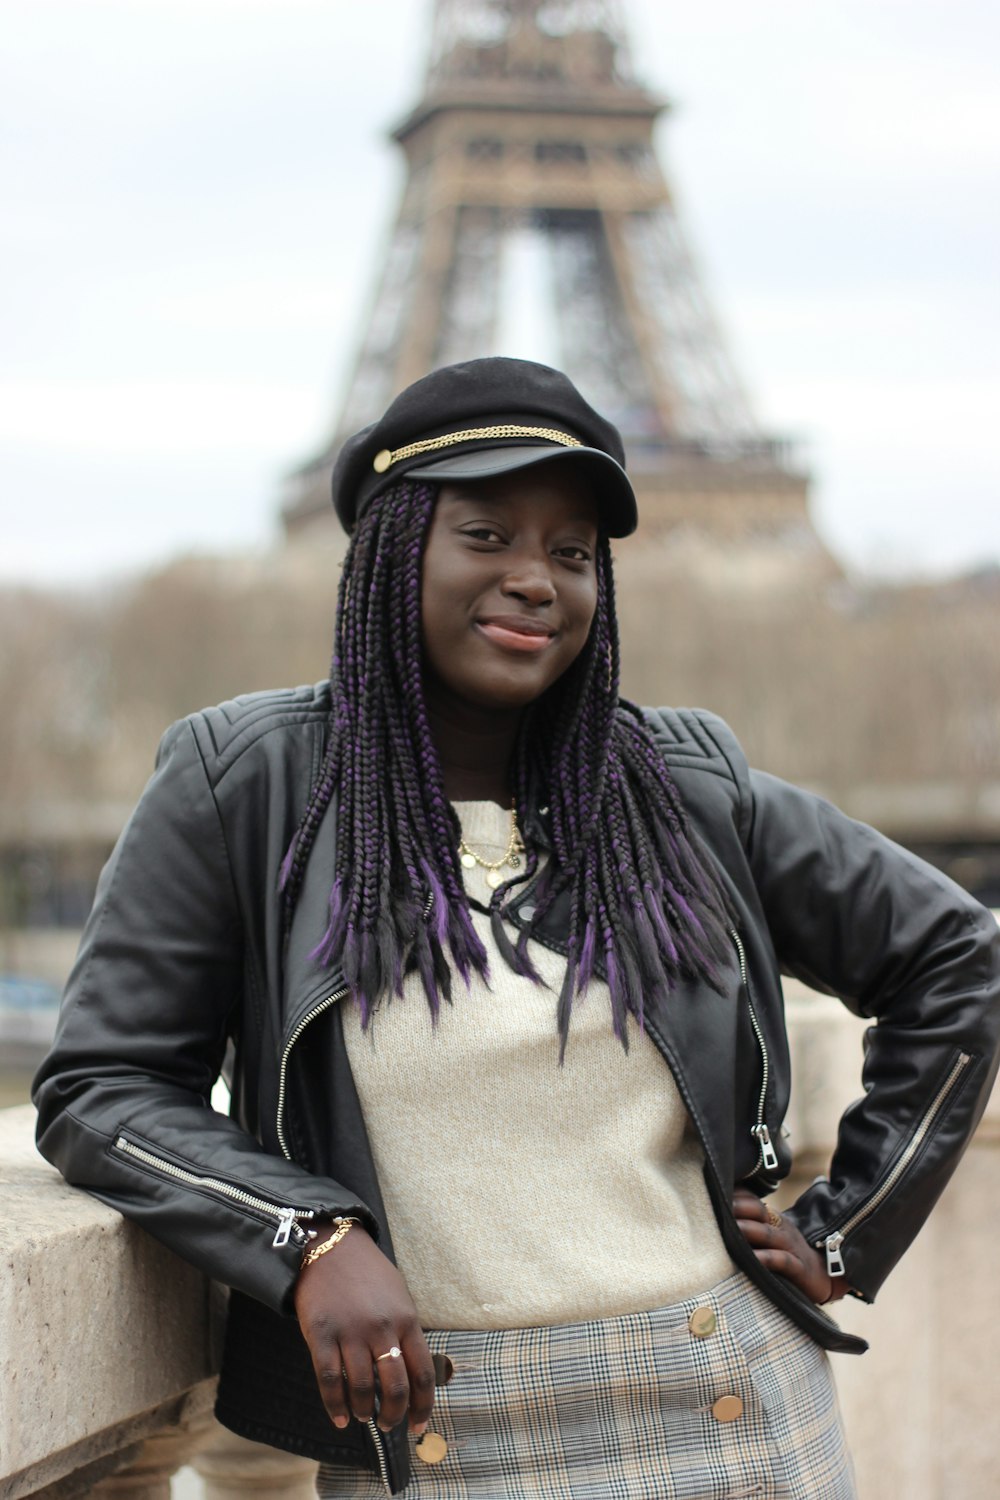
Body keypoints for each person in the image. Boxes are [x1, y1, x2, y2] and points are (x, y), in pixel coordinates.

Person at [34, 357, 1000, 1499]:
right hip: (441, 1432)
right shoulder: (246, 784)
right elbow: (104, 1088)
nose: (537, 579)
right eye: (487, 534)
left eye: (572, 552)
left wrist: (849, 1230)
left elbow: (957, 958)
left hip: (736, 1410)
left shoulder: (681, 784)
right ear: (393, 556)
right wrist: (308, 1235)